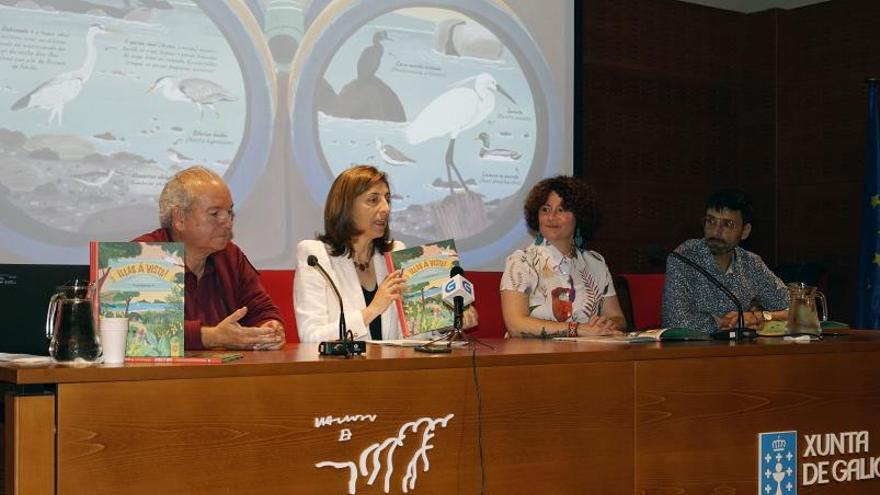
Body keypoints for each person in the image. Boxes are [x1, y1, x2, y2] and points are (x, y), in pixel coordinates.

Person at [135, 166, 286, 350]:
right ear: (179, 218)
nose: (227, 222)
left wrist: (269, 328)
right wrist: (212, 337)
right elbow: (139, 335)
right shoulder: (143, 254)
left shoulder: (230, 256)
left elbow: (263, 311)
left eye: (230, 212)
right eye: (215, 213)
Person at [500, 176, 626, 338]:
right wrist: (577, 329)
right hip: (534, 358)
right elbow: (515, 325)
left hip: (589, 356)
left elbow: (618, 318)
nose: (551, 217)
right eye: (545, 209)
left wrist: (606, 325)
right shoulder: (521, 261)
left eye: (561, 210)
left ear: (579, 216)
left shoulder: (596, 262)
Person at [294, 165, 407, 343]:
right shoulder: (315, 256)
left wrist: (450, 320)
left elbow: (412, 334)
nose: (385, 208)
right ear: (346, 207)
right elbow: (311, 337)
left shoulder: (396, 253)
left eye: (387, 199)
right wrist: (372, 311)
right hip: (342, 370)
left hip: (391, 369)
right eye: (373, 200)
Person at [661, 188, 789, 333]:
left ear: (745, 231)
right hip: (691, 352)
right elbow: (677, 321)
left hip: (740, 352)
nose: (715, 231)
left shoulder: (751, 264)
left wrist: (760, 316)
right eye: (710, 221)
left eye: (727, 224)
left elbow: (798, 310)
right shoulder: (685, 257)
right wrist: (728, 324)